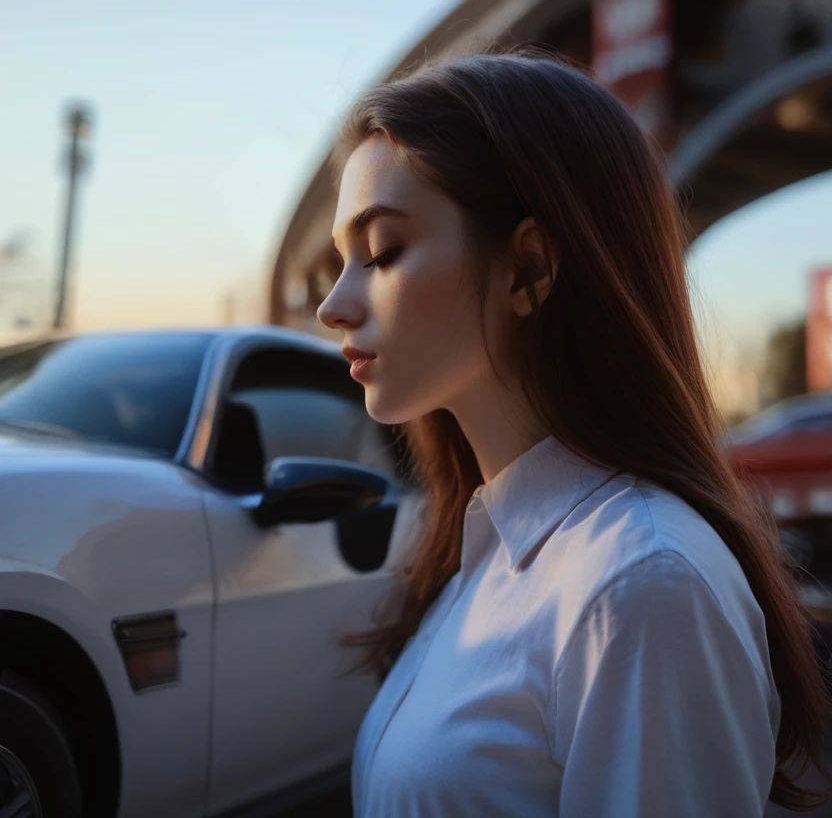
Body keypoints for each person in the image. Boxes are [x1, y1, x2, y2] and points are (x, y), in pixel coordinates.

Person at [317, 48, 831, 817]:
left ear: (527, 268)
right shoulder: (487, 548)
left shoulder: (641, 586)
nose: (333, 305)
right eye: (341, 260)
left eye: (382, 251)